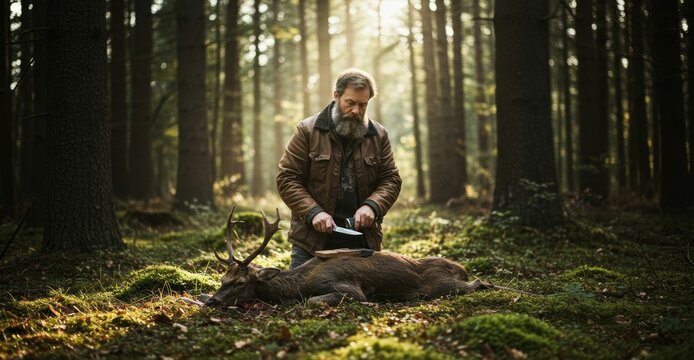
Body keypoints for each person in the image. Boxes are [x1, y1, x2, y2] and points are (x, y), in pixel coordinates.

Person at [277, 68, 402, 269]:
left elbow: (391, 179)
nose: (356, 111)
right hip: (312, 241)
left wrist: (372, 206)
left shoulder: (379, 135)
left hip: (362, 241)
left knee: (363, 296)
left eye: (363, 105)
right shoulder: (307, 130)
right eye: (350, 103)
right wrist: (313, 212)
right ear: (336, 95)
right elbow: (287, 178)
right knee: (300, 296)